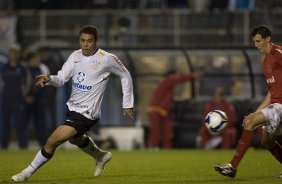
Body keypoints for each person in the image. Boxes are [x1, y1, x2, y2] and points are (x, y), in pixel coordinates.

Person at [11, 25, 135, 181]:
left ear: (96, 41)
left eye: (89, 41)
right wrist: (50, 80)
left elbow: (125, 75)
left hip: (88, 113)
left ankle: (26, 173)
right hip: (73, 109)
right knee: (75, 139)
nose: (85, 44)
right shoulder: (75, 56)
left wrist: (127, 103)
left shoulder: (106, 58)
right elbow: (62, 78)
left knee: (53, 140)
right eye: (82, 40)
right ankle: (100, 156)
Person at [214, 25, 282, 178]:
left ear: (268, 39)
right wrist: (256, 112)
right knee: (267, 142)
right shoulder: (266, 62)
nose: (256, 45)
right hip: (275, 105)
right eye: (254, 42)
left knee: (249, 123)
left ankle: (232, 167)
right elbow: (271, 93)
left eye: (258, 41)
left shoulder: (277, 53)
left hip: (281, 106)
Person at [147, 70, 199, 149]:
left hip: (163, 112)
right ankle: (152, 147)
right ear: (171, 75)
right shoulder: (166, 81)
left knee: (168, 133)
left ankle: (166, 150)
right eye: (175, 75)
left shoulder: (169, 88)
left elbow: (168, 104)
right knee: (156, 132)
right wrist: (192, 76)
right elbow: (179, 79)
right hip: (155, 110)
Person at [0, 43, 31, 149]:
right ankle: (4, 146)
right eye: (12, 52)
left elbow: (27, 83)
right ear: (9, 54)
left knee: (20, 125)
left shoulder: (23, 68)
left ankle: (23, 146)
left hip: (19, 101)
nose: (13, 54)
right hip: (6, 100)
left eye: (16, 52)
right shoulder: (4, 68)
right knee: (5, 125)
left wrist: (26, 96)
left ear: (18, 54)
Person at [25, 51, 49, 147]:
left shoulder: (43, 68)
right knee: (24, 123)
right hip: (26, 100)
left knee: (40, 123)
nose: (34, 61)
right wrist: (26, 96)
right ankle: (23, 145)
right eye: (32, 59)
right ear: (28, 60)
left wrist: (33, 95)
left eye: (35, 58)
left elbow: (45, 84)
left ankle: (43, 145)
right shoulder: (24, 69)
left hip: (39, 100)